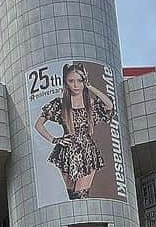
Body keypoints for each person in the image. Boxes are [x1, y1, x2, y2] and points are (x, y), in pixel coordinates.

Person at [33, 62, 117, 199]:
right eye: (71, 81)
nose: (76, 85)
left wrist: (90, 87)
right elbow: (38, 124)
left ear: (84, 81)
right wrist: (54, 139)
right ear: (66, 83)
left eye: (80, 81)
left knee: (81, 195)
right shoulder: (59, 104)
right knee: (72, 196)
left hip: (87, 151)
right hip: (66, 152)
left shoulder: (91, 103)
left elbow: (109, 105)